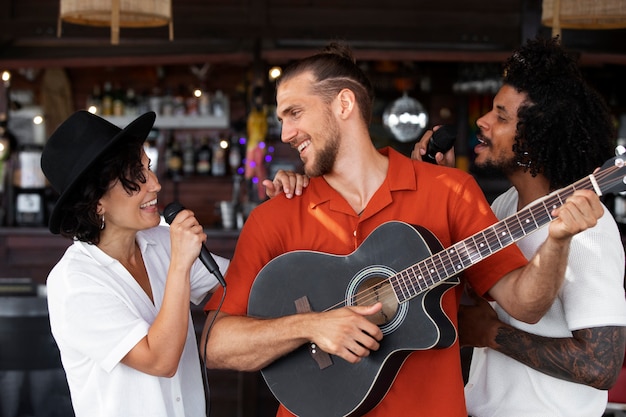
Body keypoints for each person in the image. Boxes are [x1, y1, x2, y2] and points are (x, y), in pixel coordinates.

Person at [201, 41, 604, 417]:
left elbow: (525, 304)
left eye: (295, 113)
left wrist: (558, 240)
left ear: (344, 103)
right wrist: (312, 325)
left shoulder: (449, 191)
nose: (286, 134)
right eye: (281, 119)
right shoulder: (276, 215)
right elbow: (216, 345)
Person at [39, 110, 304, 417]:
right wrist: (180, 262)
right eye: (137, 178)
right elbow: (159, 360)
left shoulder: (160, 241)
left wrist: (278, 214)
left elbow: (252, 284)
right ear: (97, 201)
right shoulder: (74, 282)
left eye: (148, 169)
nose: (155, 184)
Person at [413, 36, 626, 417]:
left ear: (534, 139)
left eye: (502, 116)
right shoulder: (505, 206)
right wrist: (436, 188)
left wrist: (493, 336)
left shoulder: (587, 231)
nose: (483, 121)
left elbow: (601, 365)